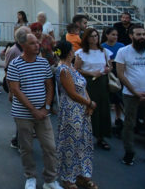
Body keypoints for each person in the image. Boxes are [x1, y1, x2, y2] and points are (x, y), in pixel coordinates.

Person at [7, 33, 61, 189]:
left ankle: (50, 180)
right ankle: (30, 177)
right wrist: (33, 110)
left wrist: (46, 107)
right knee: (26, 147)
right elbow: (16, 90)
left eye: (37, 43)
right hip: (23, 114)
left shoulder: (43, 63)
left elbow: (49, 86)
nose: (37, 45)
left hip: (43, 114)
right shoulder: (15, 64)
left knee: (50, 147)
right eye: (32, 43)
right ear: (23, 46)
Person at [54, 41, 97, 189]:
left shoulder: (72, 67)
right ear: (69, 52)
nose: (75, 52)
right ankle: (68, 178)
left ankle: (82, 175)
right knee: (70, 144)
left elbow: (83, 87)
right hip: (71, 110)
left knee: (84, 143)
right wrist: (89, 103)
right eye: (73, 50)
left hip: (82, 109)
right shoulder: (63, 69)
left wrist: (88, 103)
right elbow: (72, 93)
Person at [115, 24, 145, 166]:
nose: (142, 37)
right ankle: (129, 153)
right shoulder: (123, 51)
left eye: (144, 34)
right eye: (138, 34)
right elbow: (121, 74)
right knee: (129, 124)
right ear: (131, 36)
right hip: (130, 95)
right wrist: (135, 92)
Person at [74, 28, 112, 150]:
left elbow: (110, 66)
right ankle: (85, 137)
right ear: (86, 38)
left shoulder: (104, 51)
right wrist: (91, 73)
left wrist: (107, 69)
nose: (94, 38)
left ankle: (101, 137)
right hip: (88, 83)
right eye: (91, 36)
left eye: (96, 36)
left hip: (102, 82)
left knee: (103, 109)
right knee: (88, 108)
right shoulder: (81, 52)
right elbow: (76, 69)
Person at [101, 27, 126, 132]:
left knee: (118, 98)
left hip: (119, 72)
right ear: (107, 35)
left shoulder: (121, 46)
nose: (115, 37)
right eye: (113, 34)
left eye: (116, 35)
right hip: (108, 73)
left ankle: (118, 117)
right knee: (108, 97)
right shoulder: (102, 46)